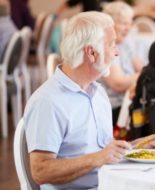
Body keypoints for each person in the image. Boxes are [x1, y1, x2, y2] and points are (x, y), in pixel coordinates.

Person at [23, 12, 132, 189]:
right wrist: (98, 158)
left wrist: (140, 146)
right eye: (112, 44)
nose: (116, 52)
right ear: (91, 53)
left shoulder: (99, 93)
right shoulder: (48, 101)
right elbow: (40, 171)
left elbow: (105, 151)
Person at [102, 1, 143, 126]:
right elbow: (118, 84)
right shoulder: (105, 47)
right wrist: (144, 74)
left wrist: (144, 73)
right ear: (110, 24)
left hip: (127, 102)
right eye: (124, 23)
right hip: (112, 108)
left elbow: (141, 68)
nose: (128, 28)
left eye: (130, 23)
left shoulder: (126, 42)